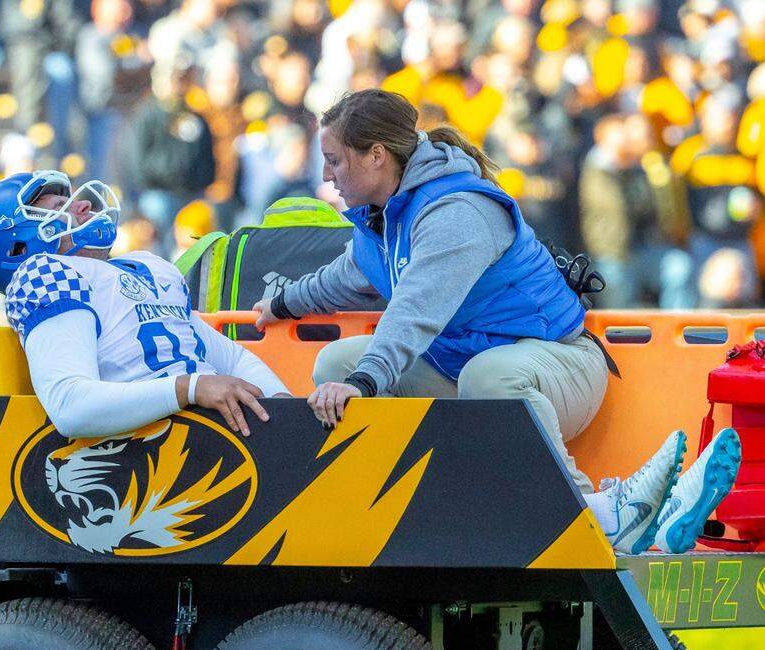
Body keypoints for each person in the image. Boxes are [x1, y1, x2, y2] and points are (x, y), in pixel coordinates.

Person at [251, 89, 741, 555]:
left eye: (335, 159)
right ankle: (401, 515)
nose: (327, 173)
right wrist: (282, 304)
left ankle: (603, 514)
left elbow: (414, 312)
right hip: (465, 373)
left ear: (376, 155)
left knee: (484, 375)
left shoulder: (456, 211)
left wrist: (365, 381)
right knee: (337, 359)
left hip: (559, 364)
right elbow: (346, 276)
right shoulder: (382, 218)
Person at [0, 170, 289, 440]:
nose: (82, 204)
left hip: (212, 429)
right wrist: (190, 388)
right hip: (149, 449)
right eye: (59, 205)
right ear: (18, 244)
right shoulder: (47, 273)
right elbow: (70, 406)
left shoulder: (147, 266)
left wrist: (285, 406)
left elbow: (227, 355)